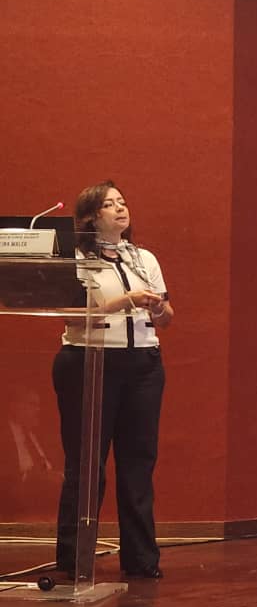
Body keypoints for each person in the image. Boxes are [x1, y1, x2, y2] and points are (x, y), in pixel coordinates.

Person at [52, 181, 174, 579]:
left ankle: (141, 561)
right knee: (87, 466)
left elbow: (167, 317)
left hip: (143, 366)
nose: (121, 208)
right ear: (91, 216)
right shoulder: (74, 259)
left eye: (123, 201)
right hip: (88, 362)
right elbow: (71, 315)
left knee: (139, 464)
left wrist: (159, 309)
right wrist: (126, 302)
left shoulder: (143, 258)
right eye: (110, 204)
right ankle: (74, 561)